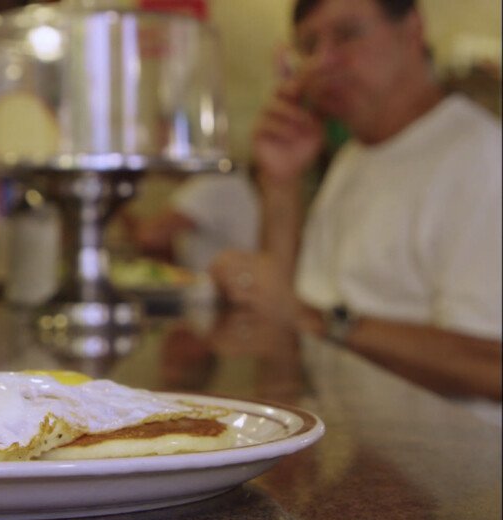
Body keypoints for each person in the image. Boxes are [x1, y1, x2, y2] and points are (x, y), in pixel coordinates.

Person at [209, 0, 503, 403]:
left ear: (413, 30)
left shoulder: (480, 156)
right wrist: (281, 182)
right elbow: (288, 308)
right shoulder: (356, 154)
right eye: (308, 46)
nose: (321, 62)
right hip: (353, 444)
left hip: (448, 459)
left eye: (347, 35)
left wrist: (322, 323)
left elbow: (491, 368)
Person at [128, 171, 260, 272]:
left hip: (220, 296)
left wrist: (119, 207)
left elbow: (148, 237)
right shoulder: (233, 180)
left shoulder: (212, 181)